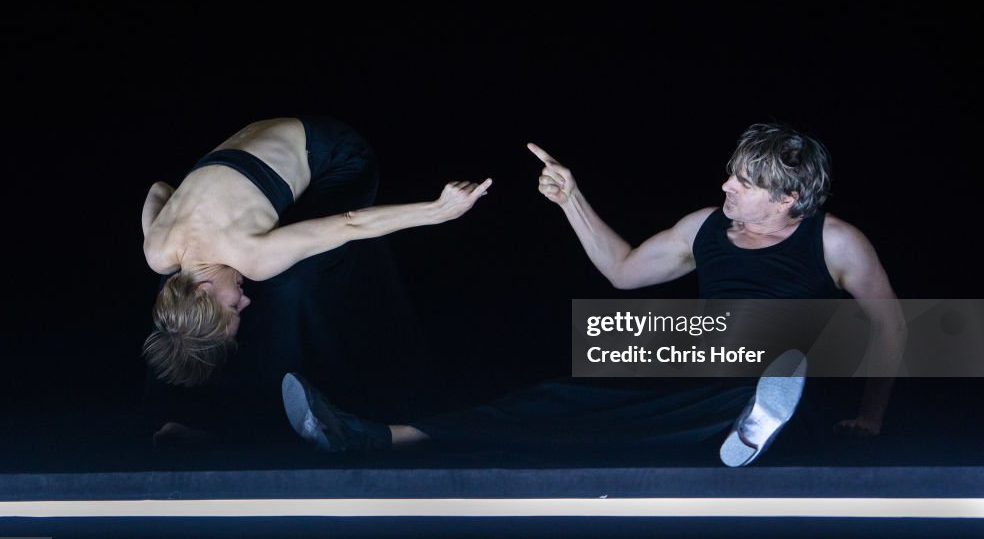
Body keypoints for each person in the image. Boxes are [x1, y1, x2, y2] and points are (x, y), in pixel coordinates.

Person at [280, 122, 906, 466]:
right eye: (731, 174)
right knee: (558, 399)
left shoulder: (837, 242)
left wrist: (872, 415)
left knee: (781, 374)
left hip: (788, 373)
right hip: (707, 368)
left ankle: (762, 421)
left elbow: (891, 327)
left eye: (743, 182)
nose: (727, 186)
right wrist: (571, 198)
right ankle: (379, 436)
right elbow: (625, 272)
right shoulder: (703, 227)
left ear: (787, 198)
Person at [141, 116, 491, 388]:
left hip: (339, 156)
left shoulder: (249, 254)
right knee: (170, 282)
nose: (243, 302)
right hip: (261, 134)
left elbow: (350, 223)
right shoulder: (157, 249)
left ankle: (301, 400)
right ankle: (197, 413)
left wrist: (437, 211)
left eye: (233, 307)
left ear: (203, 289)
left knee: (290, 288)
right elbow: (159, 189)